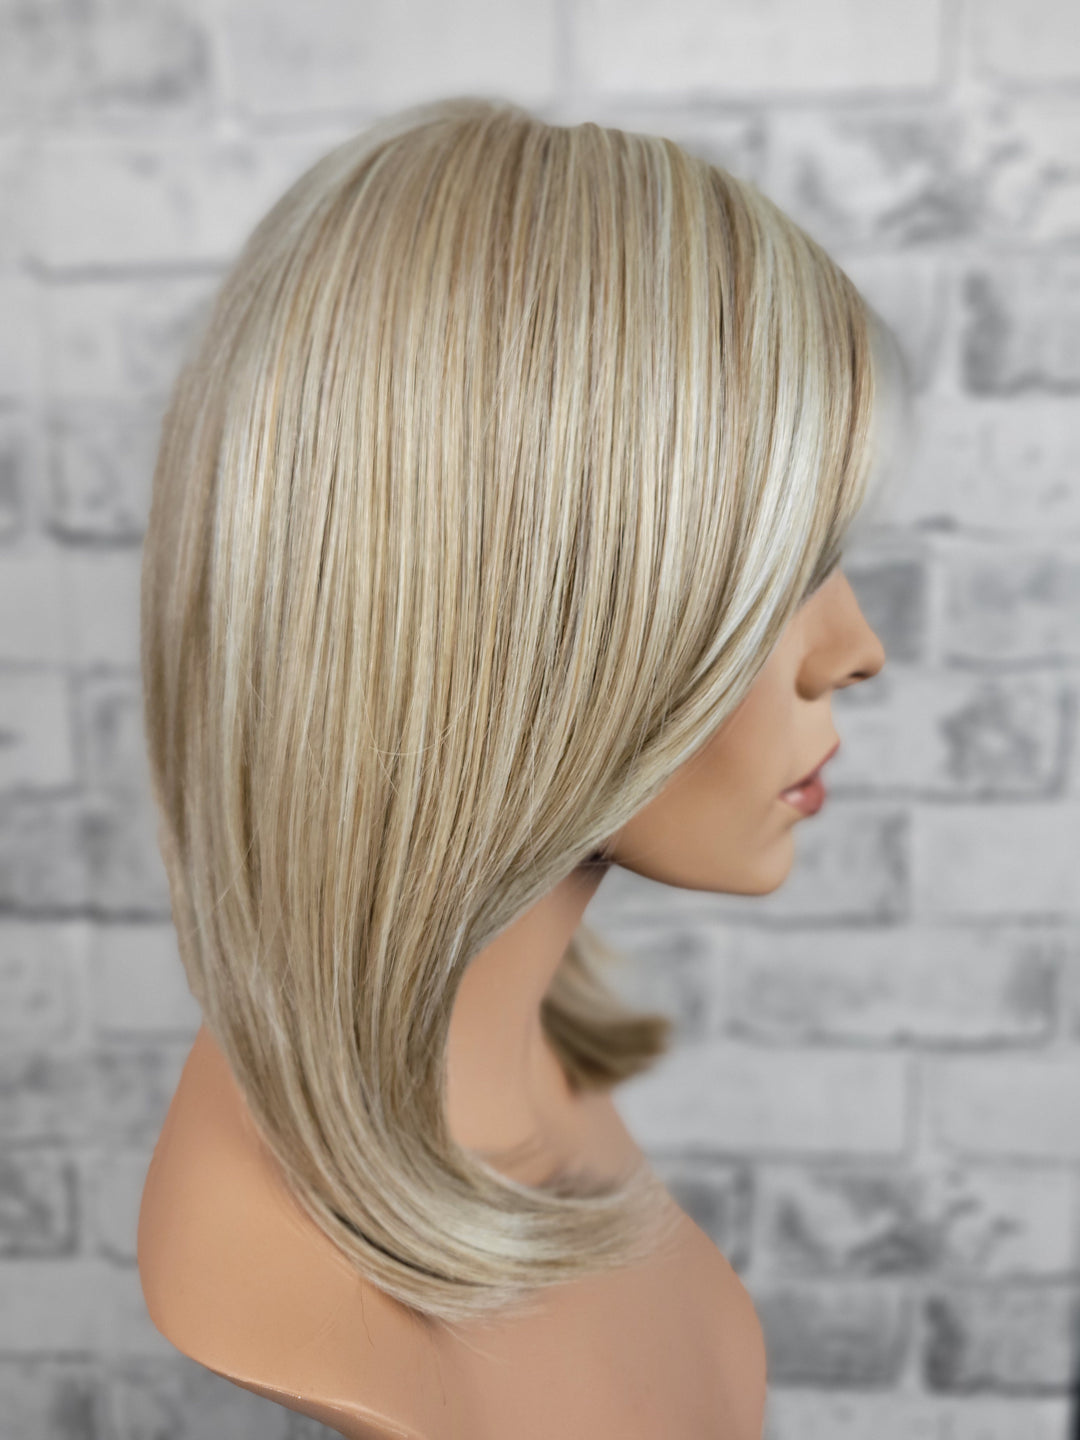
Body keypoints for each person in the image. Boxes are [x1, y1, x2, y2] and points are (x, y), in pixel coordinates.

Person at [136, 95, 904, 1439]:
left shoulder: (524, 1053)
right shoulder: (286, 1272)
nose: (855, 651)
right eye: (779, 572)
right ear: (506, 613)